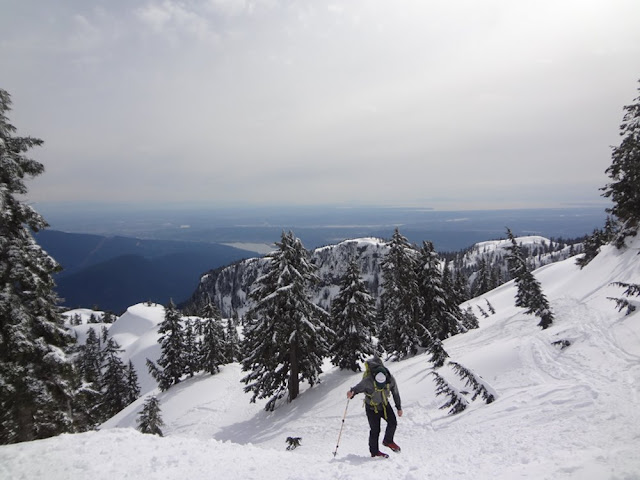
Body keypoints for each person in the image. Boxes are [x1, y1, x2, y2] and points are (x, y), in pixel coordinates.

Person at [347, 355, 403, 458]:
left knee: (393, 422)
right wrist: (351, 393)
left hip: (385, 404)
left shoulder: (390, 379)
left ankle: (388, 441)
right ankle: (374, 452)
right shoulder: (367, 381)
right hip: (371, 407)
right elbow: (356, 389)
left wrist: (399, 407)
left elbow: (395, 393)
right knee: (375, 430)